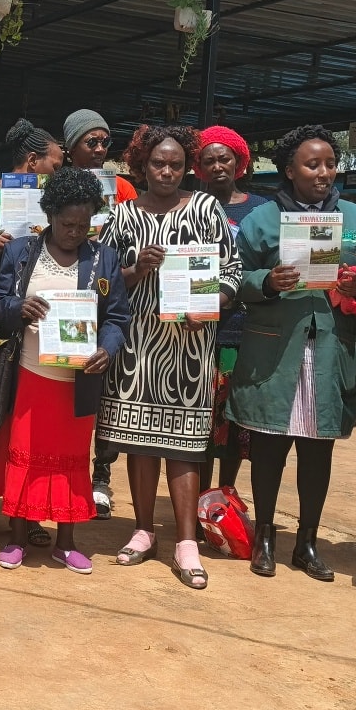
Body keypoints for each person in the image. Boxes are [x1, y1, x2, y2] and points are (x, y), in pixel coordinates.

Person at [229, 124, 356, 581]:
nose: (323, 173)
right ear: (289, 170)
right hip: (276, 352)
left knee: (318, 452)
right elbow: (235, 277)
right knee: (269, 448)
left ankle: (307, 543)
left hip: (330, 350)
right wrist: (266, 282)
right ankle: (264, 538)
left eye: (330, 164)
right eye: (312, 164)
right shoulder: (261, 220)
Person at [98, 125, 241, 588]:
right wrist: (135, 269)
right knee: (140, 444)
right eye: (158, 163)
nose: (166, 171)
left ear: (187, 168)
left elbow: (233, 268)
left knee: (184, 447)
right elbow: (102, 281)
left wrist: (213, 303)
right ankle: (143, 530)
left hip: (190, 350)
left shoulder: (206, 208)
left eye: (176, 164)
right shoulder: (123, 216)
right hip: (137, 347)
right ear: (142, 165)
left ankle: (186, 542)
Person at [0, 167, 131, 573]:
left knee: (71, 459)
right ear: (50, 215)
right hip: (30, 375)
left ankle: (65, 542)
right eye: (67, 224)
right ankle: (18, 536)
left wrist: (106, 350)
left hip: (77, 381)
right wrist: (19, 308)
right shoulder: (21, 253)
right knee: (26, 456)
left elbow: (118, 317)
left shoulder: (104, 259)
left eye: (83, 225)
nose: (75, 232)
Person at [0, 119, 63, 546]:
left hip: (35, 320)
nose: (58, 171)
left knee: (25, 420)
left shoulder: (52, 200)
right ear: (33, 160)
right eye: (55, 164)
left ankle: (27, 511)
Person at [63, 108, 136, 518]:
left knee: (105, 390)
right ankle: (65, 468)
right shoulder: (53, 184)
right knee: (65, 389)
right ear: (71, 145)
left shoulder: (122, 188)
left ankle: (101, 476)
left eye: (105, 141)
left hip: (110, 289)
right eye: (91, 141)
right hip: (64, 294)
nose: (100, 148)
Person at [196, 125, 262, 491]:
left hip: (246, 330)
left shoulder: (261, 209)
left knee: (235, 423)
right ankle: (202, 496)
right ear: (199, 167)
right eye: (209, 161)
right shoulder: (190, 206)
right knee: (204, 421)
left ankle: (226, 494)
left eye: (224, 159)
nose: (217, 166)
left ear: (239, 162)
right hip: (202, 328)